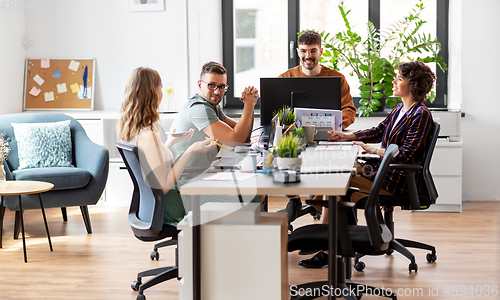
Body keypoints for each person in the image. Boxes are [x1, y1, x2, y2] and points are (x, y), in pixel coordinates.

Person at [298, 60, 436, 268]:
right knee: (335, 174)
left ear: (413, 85)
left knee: (337, 183)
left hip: (397, 180)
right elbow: (378, 131)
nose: (394, 82)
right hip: (383, 170)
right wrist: (347, 136)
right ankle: (332, 241)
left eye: (399, 78)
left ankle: (327, 248)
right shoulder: (400, 109)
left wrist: (373, 150)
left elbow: (405, 156)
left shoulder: (421, 115)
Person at [279, 29, 357, 224]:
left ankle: (320, 213)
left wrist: (336, 124)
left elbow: (349, 109)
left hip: (327, 136)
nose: (308, 56)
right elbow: (276, 113)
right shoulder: (285, 78)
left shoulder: (337, 78)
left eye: (312, 51)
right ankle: (295, 199)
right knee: (281, 155)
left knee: (329, 170)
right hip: (295, 136)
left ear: (321, 51)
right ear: (298, 51)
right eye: (304, 51)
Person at [170, 61, 259, 168]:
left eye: (221, 87)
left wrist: (251, 103)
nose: (217, 92)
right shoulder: (198, 109)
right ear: (200, 85)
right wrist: (249, 104)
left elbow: (244, 138)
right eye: (211, 85)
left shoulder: (212, 106)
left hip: (198, 173)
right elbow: (236, 140)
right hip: (186, 180)